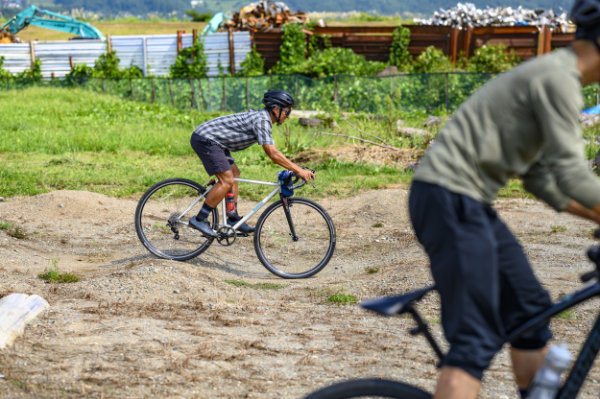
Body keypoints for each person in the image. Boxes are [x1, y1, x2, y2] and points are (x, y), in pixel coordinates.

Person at [407, 1, 600, 398]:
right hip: (449, 197)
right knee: (475, 340)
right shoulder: (558, 80)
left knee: (529, 313)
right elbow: (573, 175)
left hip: (464, 200)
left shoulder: (556, 76)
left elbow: (542, 179)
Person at [189, 89, 315, 238]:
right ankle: (200, 219)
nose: (288, 116)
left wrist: (296, 168)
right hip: (206, 139)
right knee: (227, 179)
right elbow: (272, 153)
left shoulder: (264, 119)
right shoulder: (262, 120)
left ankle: (232, 218)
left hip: (217, 141)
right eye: (287, 112)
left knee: (234, 174)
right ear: (276, 109)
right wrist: (299, 170)